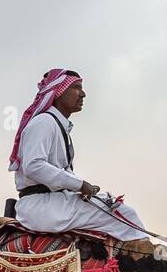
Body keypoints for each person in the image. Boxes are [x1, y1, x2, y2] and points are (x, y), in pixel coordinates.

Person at [9, 68, 151, 241]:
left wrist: (80, 187)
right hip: (41, 206)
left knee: (109, 204)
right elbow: (33, 166)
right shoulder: (44, 123)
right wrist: (80, 184)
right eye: (76, 87)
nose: (83, 94)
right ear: (59, 92)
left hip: (53, 202)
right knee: (123, 213)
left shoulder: (57, 125)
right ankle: (149, 260)